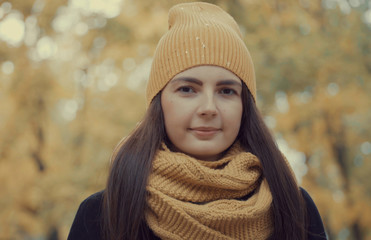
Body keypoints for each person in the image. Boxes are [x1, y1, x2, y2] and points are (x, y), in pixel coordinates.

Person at [68, 2, 327, 240]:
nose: (208, 108)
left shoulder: (293, 207)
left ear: (244, 107)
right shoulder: (101, 215)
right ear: (159, 103)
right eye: (187, 89)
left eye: (226, 91)